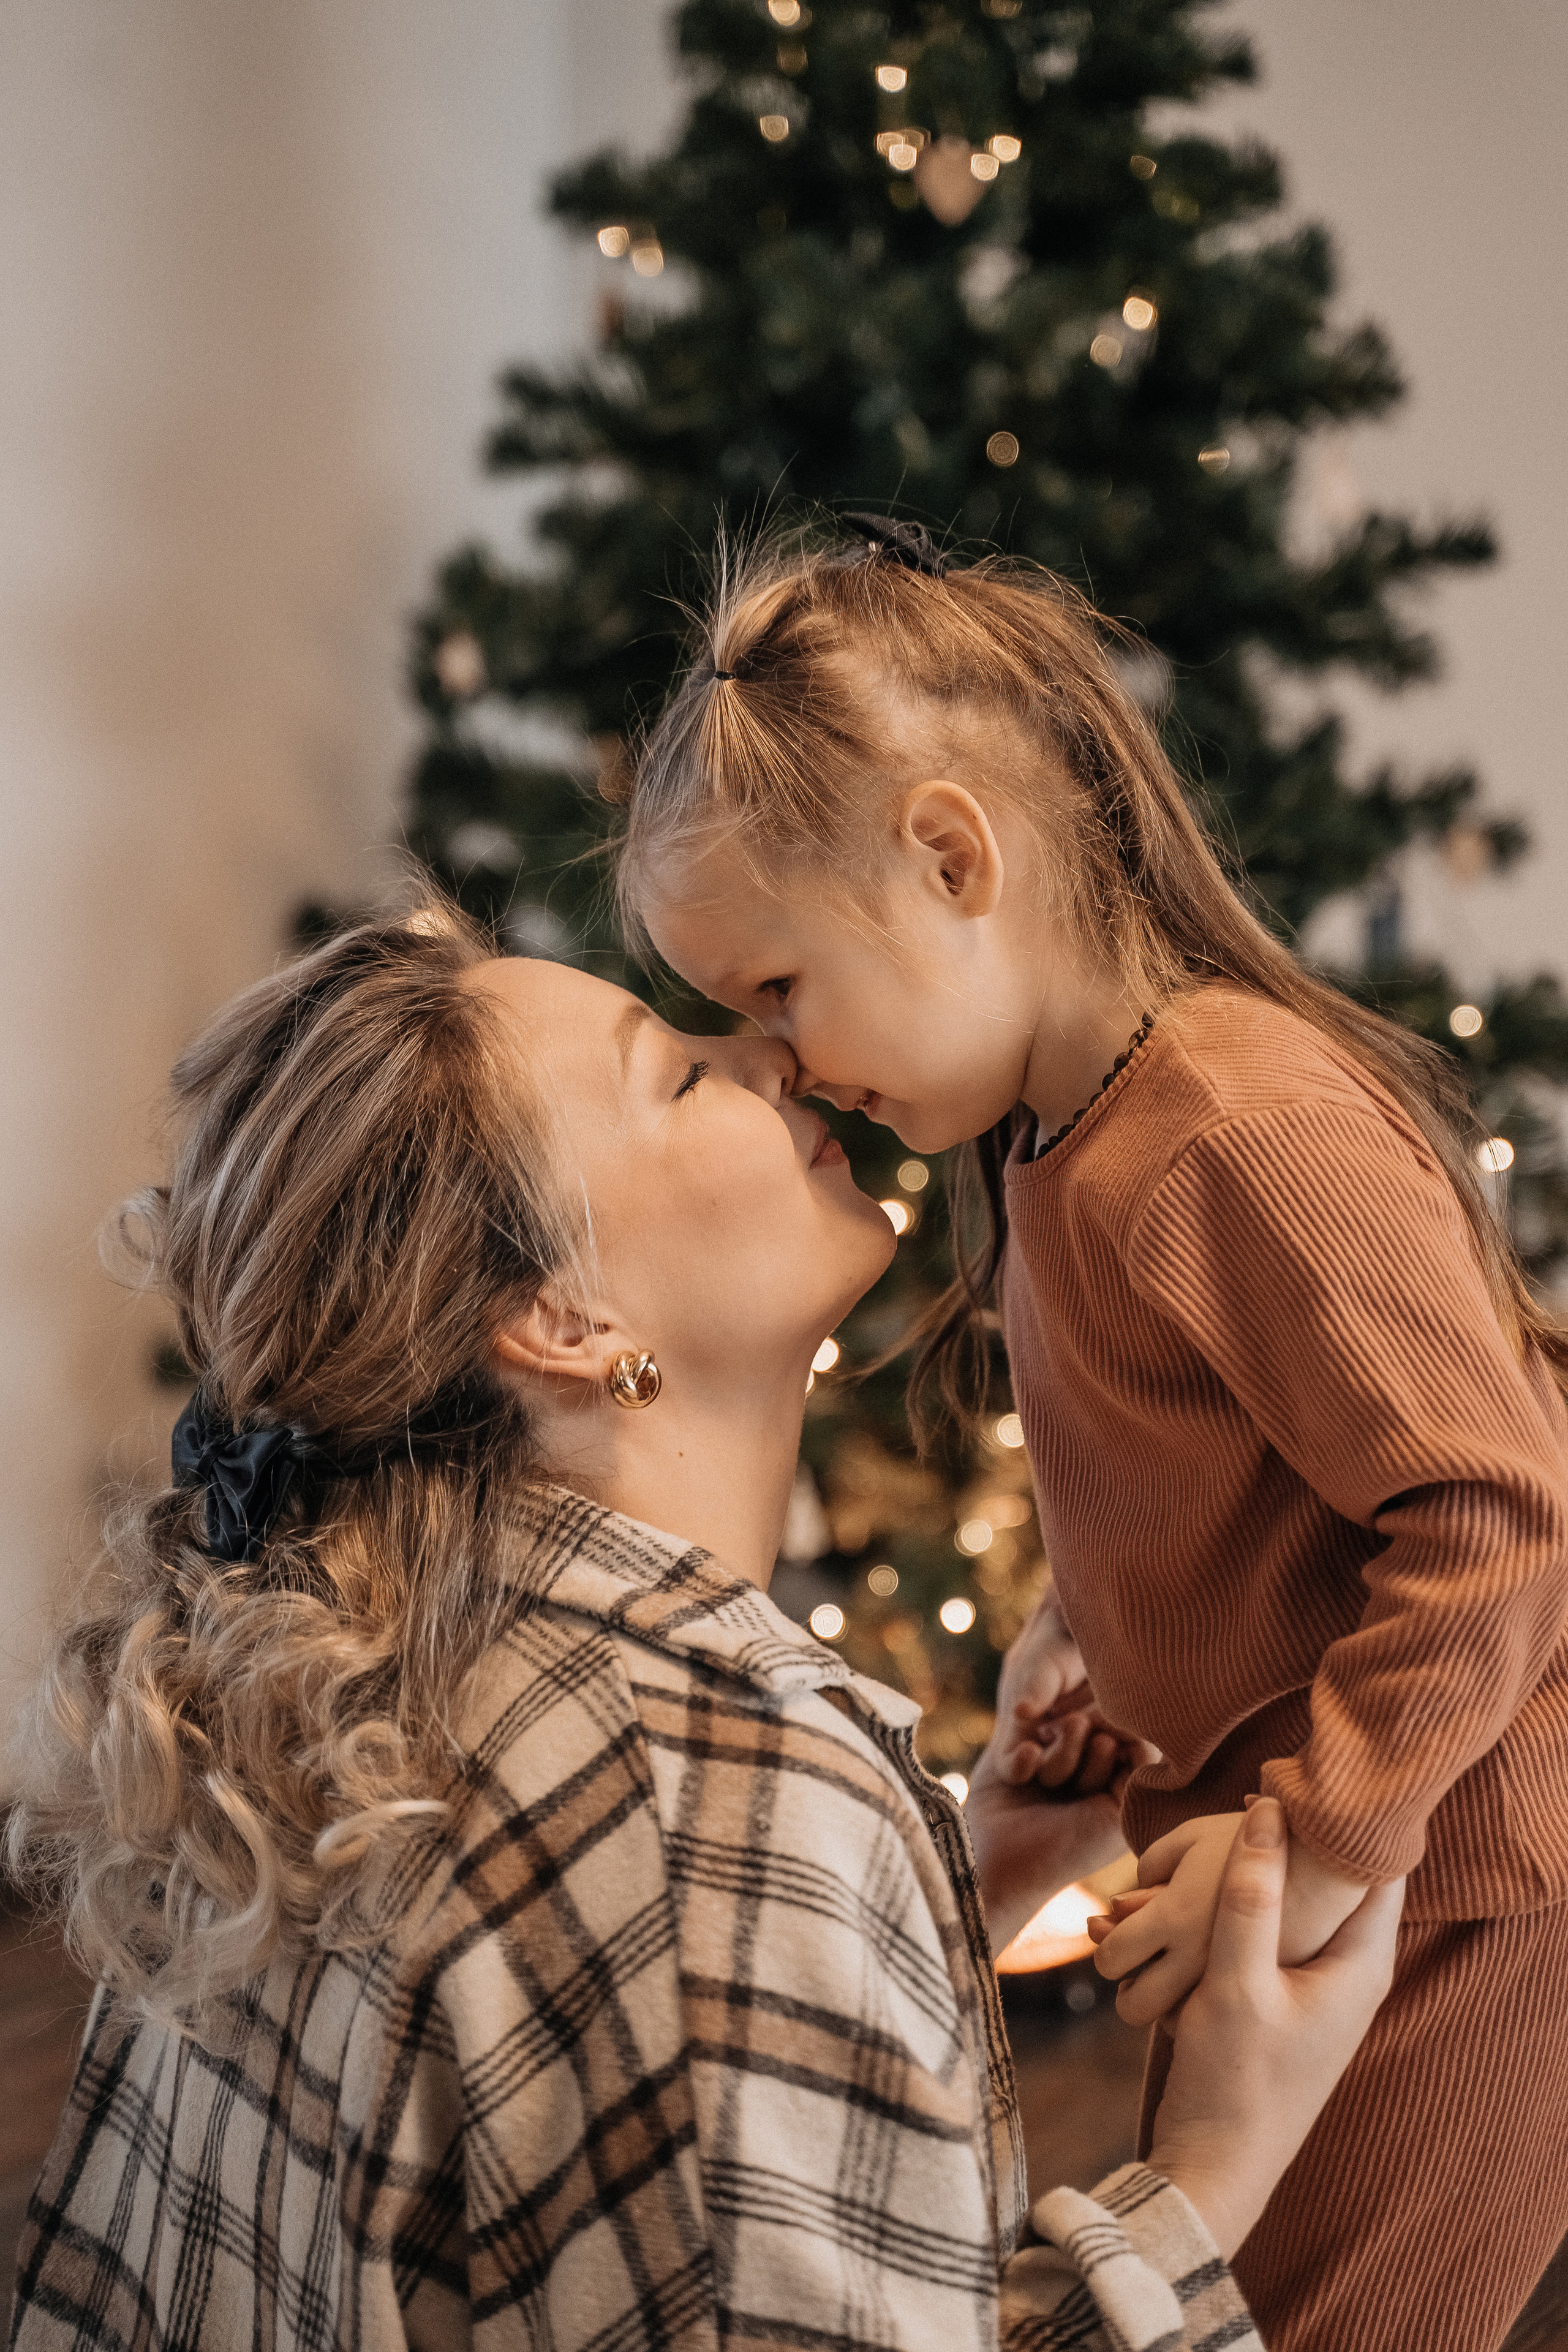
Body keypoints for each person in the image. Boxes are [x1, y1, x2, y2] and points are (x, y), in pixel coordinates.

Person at [6, 907, 1400, 2352]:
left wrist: (944, 1898)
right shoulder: (707, 1799)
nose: (771, 1057)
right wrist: (1205, 2178)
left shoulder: (356, 1684)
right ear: (564, 1317)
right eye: (675, 1073)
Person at [624, 518, 1568, 2352]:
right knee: (1202, 2293)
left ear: (951, 856)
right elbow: (1216, 1477)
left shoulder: (1231, 1131)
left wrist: (1319, 1831)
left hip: (1464, 1874)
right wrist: (1099, 1653)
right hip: (1326, 1862)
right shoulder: (1059, 1136)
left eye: (777, 991)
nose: (785, 1063)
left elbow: (1500, 1513)